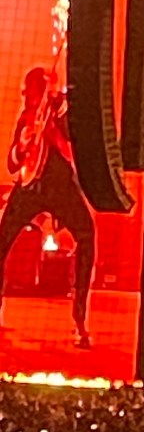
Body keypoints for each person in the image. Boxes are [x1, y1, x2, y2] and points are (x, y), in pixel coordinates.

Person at [0, 67, 95, 348]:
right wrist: (23, 144)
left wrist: (56, 108)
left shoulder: (59, 112)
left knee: (87, 235)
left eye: (34, 92)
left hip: (61, 189)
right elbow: (12, 163)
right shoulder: (26, 119)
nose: (28, 97)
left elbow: (69, 144)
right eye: (28, 93)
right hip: (29, 188)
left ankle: (80, 321)